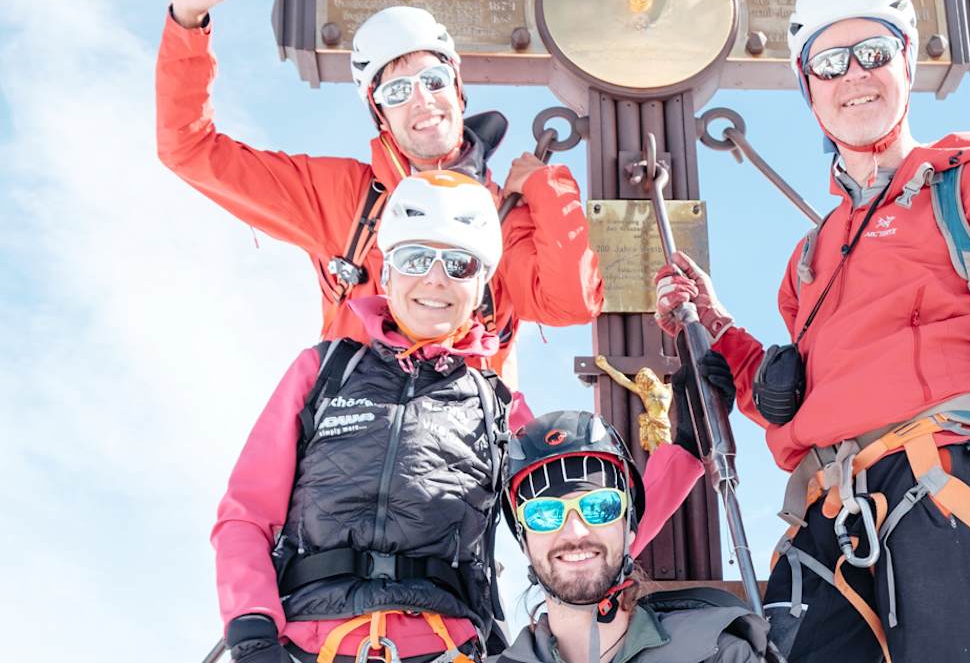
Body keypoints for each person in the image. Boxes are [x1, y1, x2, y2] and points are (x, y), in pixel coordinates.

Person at [654, 0, 970, 662]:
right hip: (825, 512)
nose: (855, 77)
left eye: (874, 52)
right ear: (807, 88)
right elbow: (795, 400)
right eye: (831, 63)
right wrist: (715, 327)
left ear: (907, 59)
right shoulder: (810, 259)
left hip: (940, 483)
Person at [214, 171, 700, 663]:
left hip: (445, 647)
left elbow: (594, 520)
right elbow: (246, 514)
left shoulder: (495, 405)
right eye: (415, 258)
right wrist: (252, 629)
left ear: (482, 283)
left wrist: (687, 445)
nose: (436, 279)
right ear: (386, 273)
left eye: (459, 264)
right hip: (307, 642)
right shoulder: (324, 372)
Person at [158, 0, 602, 383]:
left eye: (433, 80)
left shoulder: (502, 217)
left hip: (468, 450)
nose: (422, 100)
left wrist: (547, 187)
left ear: (457, 88)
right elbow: (190, 148)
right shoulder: (341, 199)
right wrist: (187, 21)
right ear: (380, 114)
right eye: (397, 91)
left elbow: (570, 301)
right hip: (353, 446)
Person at [494, 410, 776, 663]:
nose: (575, 531)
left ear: (629, 527)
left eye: (600, 507)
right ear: (524, 540)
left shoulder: (716, 655)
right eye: (543, 514)